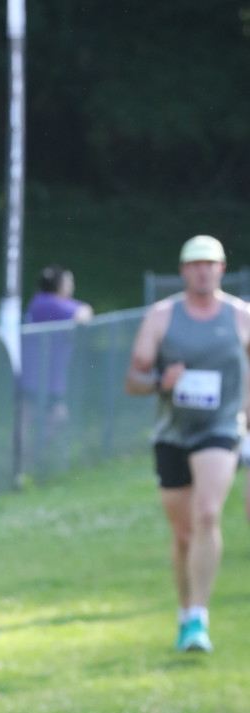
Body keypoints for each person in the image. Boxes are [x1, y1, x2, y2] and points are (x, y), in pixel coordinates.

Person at [126, 235, 250, 653]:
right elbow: (134, 379)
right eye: (195, 264)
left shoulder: (240, 316)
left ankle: (199, 617)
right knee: (182, 533)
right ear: (183, 271)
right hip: (172, 433)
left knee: (207, 513)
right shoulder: (162, 316)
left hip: (221, 428)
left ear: (221, 268)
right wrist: (161, 382)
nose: (203, 271)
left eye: (210, 264)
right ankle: (184, 614)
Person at [21, 267, 94, 468]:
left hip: (44, 376)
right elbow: (83, 314)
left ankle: (30, 461)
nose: (72, 286)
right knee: (31, 419)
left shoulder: (41, 301)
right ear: (59, 285)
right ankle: (26, 462)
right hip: (38, 376)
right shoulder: (49, 303)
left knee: (51, 417)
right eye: (69, 282)